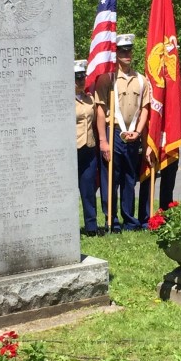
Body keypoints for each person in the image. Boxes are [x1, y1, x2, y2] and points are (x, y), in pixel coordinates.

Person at [95, 34, 150, 232]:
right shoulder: (107, 79)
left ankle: (129, 220)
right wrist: (103, 140)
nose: (127, 54)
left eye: (129, 50)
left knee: (129, 178)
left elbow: (145, 108)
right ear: (115, 53)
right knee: (111, 179)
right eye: (122, 51)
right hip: (114, 132)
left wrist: (138, 131)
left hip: (133, 136)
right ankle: (112, 221)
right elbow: (100, 109)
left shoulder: (141, 80)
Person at [137, 80, 181, 224]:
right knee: (148, 180)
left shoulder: (180, 86)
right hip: (151, 139)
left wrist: (178, 132)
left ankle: (165, 215)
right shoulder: (149, 83)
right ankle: (145, 217)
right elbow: (145, 112)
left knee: (168, 181)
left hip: (171, 140)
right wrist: (146, 142)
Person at [75, 59, 101, 236]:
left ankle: (91, 226)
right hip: (73, 148)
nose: (81, 81)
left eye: (83, 77)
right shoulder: (61, 100)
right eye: (77, 78)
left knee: (88, 189)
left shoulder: (89, 98)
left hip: (89, 147)